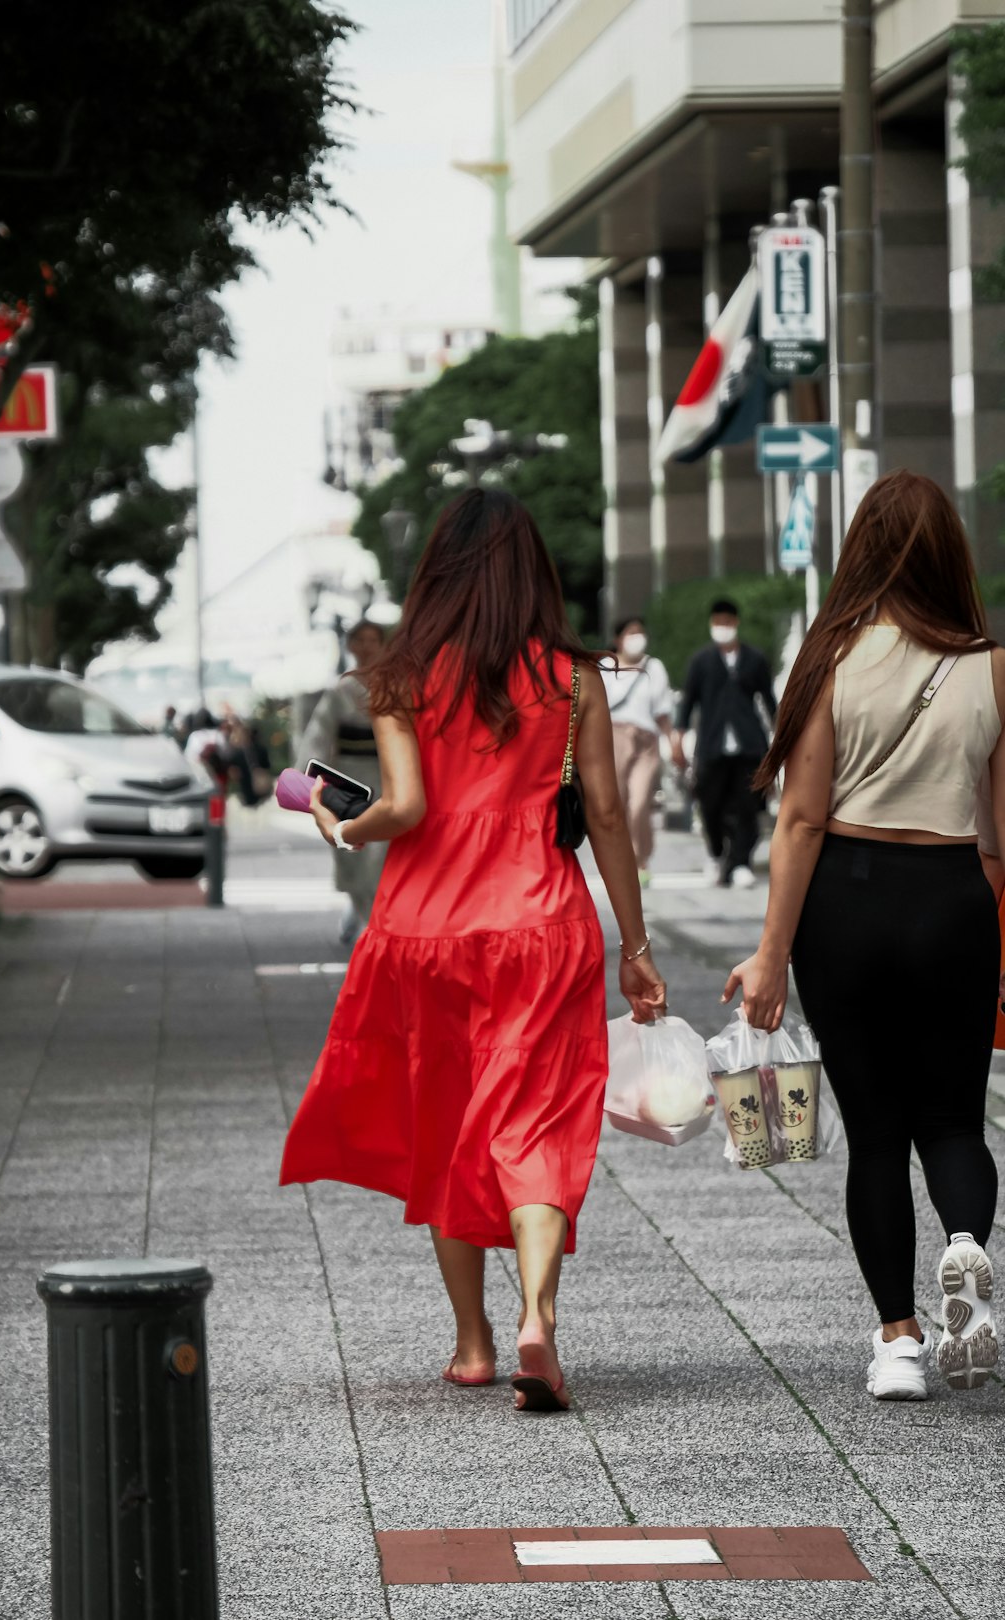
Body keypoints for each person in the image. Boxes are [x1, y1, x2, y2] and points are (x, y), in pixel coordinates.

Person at [280, 490, 666, 1412]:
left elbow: (406, 808)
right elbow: (606, 812)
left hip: (424, 931)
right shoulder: (575, 680)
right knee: (532, 1124)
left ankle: (473, 1344)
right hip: (541, 924)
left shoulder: (402, 678)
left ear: (438, 575)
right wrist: (637, 945)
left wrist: (344, 826)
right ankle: (539, 1316)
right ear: (531, 572)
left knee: (448, 1125)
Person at [723, 470, 1004, 1401]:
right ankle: (966, 1247)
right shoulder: (994, 666)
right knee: (955, 1120)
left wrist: (770, 955)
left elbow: (800, 820)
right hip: (955, 897)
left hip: (848, 902)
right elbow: (998, 837)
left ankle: (899, 1344)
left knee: (877, 1133)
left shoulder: (831, 656)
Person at [672, 598, 777, 888]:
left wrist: (781, 737)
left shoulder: (754, 659)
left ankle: (741, 862)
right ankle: (717, 853)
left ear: (736, 623)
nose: (723, 628)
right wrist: (678, 738)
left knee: (748, 805)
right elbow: (688, 703)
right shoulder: (701, 661)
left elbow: (769, 701)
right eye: (718, 623)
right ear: (711, 624)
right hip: (711, 743)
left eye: (727, 623)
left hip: (749, 744)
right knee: (709, 803)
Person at [298, 620, 388, 945]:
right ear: (351, 645)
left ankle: (373, 922)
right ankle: (363, 915)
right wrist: (306, 776)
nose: (366, 646)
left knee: (381, 854)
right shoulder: (341, 691)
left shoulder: (396, 685)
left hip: (389, 775)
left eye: (372, 640)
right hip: (349, 776)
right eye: (359, 640)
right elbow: (318, 735)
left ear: (382, 645)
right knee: (354, 852)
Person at [602, 616, 675, 886]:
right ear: (618, 639)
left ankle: (640, 858)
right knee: (616, 803)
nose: (637, 638)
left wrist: (672, 740)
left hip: (646, 742)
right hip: (613, 739)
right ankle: (619, 860)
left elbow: (662, 711)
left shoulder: (654, 667)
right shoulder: (605, 666)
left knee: (640, 802)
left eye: (640, 633)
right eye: (631, 633)